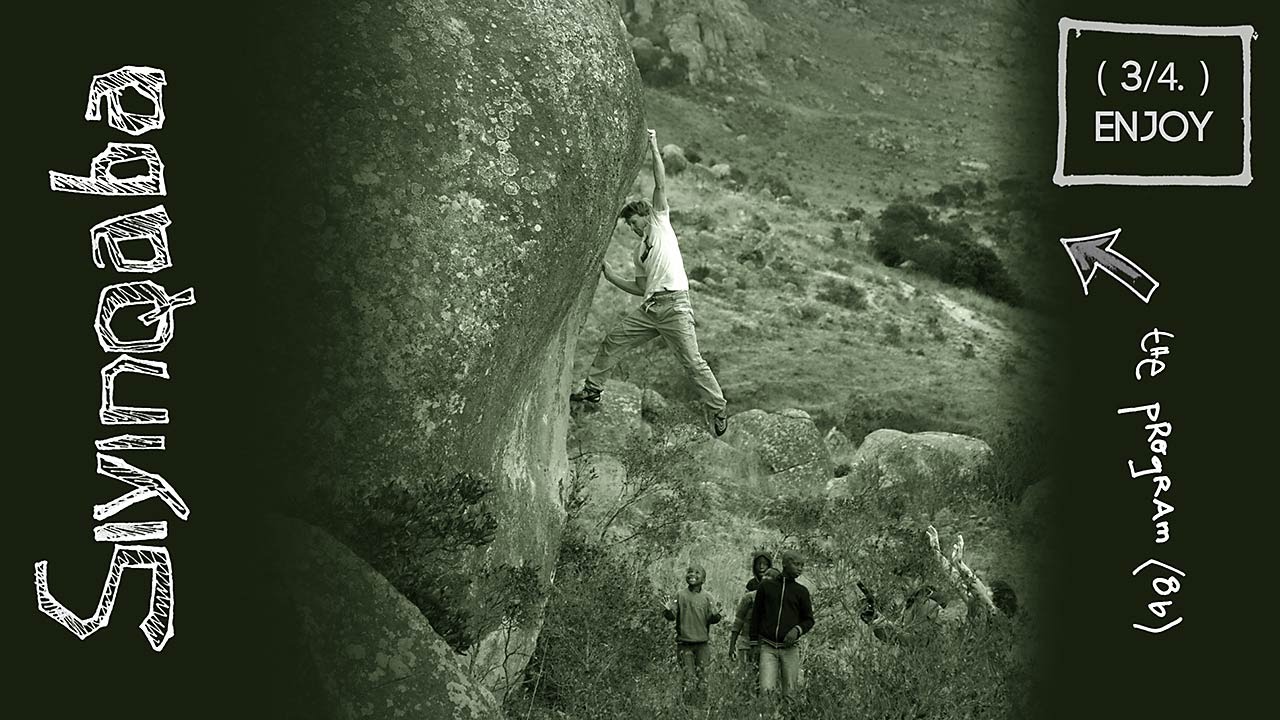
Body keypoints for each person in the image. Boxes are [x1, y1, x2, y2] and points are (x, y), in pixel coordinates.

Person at [570, 128, 729, 437]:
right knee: (612, 341)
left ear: (644, 215)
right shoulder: (638, 251)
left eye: (632, 222)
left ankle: (718, 407)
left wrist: (654, 146)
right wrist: (610, 275)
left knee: (693, 363)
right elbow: (641, 288)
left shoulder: (659, 222)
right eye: (628, 224)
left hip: (675, 307)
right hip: (651, 308)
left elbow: (660, 181)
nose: (631, 227)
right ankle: (593, 389)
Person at [750, 550, 814, 697]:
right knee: (766, 691)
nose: (800, 568)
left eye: (802, 565)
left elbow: (809, 619)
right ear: (785, 564)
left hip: (790, 649)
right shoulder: (766, 587)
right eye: (796, 564)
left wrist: (797, 630)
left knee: (790, 693)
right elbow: (756, 615)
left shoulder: (801, 591)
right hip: (768, 647)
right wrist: (753, 643)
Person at [663, 564, 723, 703]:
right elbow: (672, 616)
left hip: (702, 645)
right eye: (689, 572)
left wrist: (716, 616)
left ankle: (701, 707)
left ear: (703, 579)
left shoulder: (708, 597)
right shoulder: (680, 595)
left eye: (697, 573)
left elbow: (712, 618)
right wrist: (667, 611)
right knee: (688, 678)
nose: (692, 575)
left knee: (702, 678)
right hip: (684, 644)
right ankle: (688, 709)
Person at [727, 554, 776, 670]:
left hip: (766, 645)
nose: (761, 567)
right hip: (747, 641)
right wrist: (732, 644)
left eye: (765, 564)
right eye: (758, 563)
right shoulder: (750, 595)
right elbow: (739, 619)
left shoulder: (777, 600)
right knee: (747, 674)